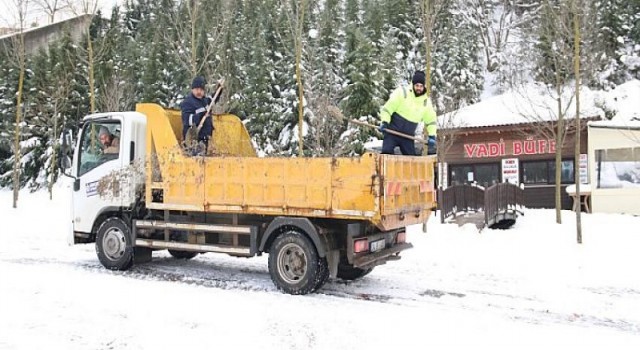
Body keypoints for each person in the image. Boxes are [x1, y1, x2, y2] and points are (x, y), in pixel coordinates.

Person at [378, 70, 437, 155]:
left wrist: (432, 136)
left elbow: (431, 121)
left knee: (411, 159)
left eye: (421, 86)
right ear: (413, 85)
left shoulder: (426, 102)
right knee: (386, 154)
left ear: (424, 87)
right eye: (417, 85)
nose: (419, 88)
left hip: (407, 136)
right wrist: (384, 122)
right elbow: (388, 109)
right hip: (392, 132)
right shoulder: (402, 93)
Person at [181, 76, 219, 151]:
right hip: (193, 139)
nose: (199, 92)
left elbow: (213, 99)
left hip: (204, 137)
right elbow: (187, 120)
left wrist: (219, 89)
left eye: (201, 90)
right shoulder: (187, 102)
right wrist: (200, 115)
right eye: (197, 89)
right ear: (192, 89)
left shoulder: (204, 101)